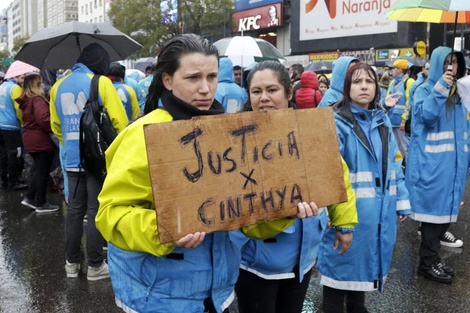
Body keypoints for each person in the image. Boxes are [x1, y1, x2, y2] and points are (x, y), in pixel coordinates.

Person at [95, 34, 318, 313]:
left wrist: (283, 210)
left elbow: (246, 220)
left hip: (217, 294)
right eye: (193, 78)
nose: (205, 88)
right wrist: (163, 229)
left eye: (212, 76)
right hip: (157, 297)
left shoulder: (226, 132)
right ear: (167, 80)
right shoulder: (142, 135)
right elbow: (110, 215)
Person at [230, 61, 358, 313]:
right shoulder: (236, 136)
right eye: (256, 92)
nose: (264, 98)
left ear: (289, 93)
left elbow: (336, 173)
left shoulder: (311, 129)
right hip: (257, 262)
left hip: (303, 258)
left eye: (272, 90)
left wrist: (343, 222)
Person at [317, 62, 411, 312]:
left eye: (369, 81)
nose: (364, 87)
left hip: (377, 216)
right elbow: (328, 173)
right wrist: (336, 219)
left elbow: (393, 164)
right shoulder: (336, 122)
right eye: (357, 82)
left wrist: (401, 200)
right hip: (348, 217)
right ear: (346, 88)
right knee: (338, 281)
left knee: (362, 277)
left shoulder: (382, 122)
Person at [49, 43, 129, 281]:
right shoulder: (101, 82)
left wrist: (71, 145)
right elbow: (120, 122)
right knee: (95, 211)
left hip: (72, 159)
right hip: (97, 159)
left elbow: (55, 127)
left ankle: (71, 264)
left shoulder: (57, 86)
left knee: (74, 211)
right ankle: (95, 265)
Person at [406, 47, 468, 284]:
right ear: (438, 63)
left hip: (453, 166)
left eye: (454, 62)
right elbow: (427, 116)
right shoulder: (423, 90)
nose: (450, 67)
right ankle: (427, 263)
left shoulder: (459, 93)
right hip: (432, 166)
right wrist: (441, 88)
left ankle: (432, 259)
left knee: (446, 216)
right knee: (433, 218)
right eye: (446, 62)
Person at [16, 73, 59, 213]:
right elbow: (43, 119)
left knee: (39, 170)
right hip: (40, 139)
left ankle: (29, 197)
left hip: (30, 138)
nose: (43, 85)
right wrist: (54, 123)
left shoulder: (27, 100)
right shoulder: (37, 100)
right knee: (42, 171)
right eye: (40, 83)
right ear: (36, 85)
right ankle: (40, 203)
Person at [0, 71, 27, 190]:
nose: (24, 79)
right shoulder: (15, 88)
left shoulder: (2, 86)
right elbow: (19, 108)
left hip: (1, 125)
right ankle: (13, 181)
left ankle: (3, 180)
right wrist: (23, 122)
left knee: (3, 154)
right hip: (12, 126)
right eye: (22, 77)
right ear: (14, 76)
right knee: (15, 153)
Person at [384, 59, 415, 161]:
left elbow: (409, 102)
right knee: (394, 149)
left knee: (404, 148)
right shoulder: (393, 82)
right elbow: (387, 99)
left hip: (401, 123)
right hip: (391, 121)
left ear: (400, 70)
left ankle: (408, 170)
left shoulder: (409, 82)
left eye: (394, 68)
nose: (392, 70)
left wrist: (404, 120)